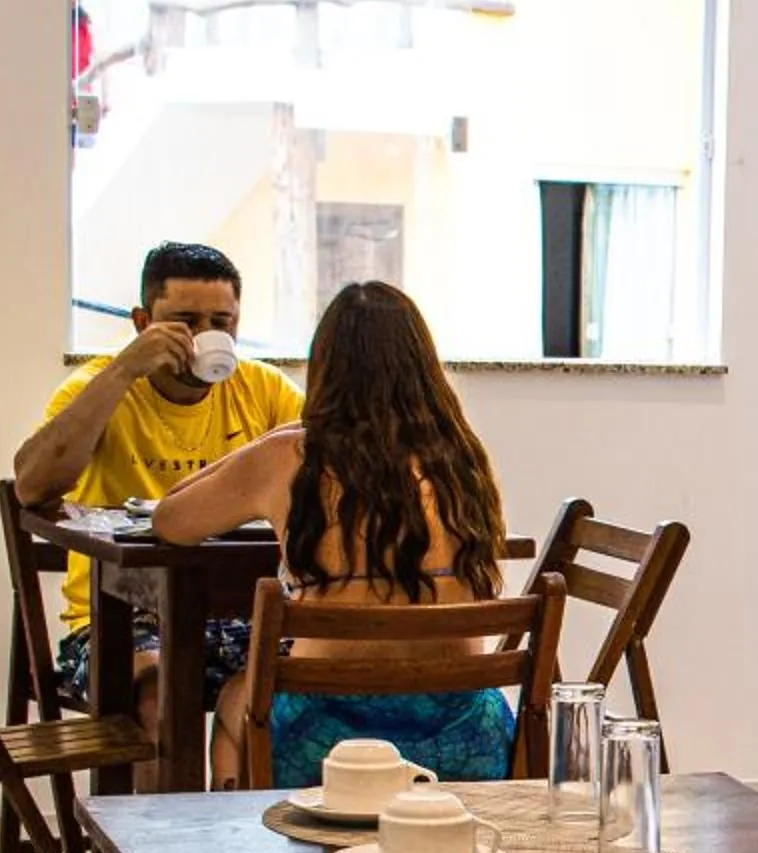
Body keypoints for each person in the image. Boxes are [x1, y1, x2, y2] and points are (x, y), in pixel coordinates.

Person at [154, 282, 513, 794]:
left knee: (237, 695)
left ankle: (240, 839)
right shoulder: (463, 462)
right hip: (465, 736)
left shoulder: (289, 458)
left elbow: (170, 518)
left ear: (323, 369)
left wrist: (267, 441)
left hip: (326, 740)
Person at [13, 242, 304, 733]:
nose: (203, 336)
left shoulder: (265, 390)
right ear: (143, 322)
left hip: (240, 609)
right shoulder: (98, 389)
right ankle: (152, 790)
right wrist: (124, 369)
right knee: (158, 694)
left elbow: (334, 469)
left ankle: (249, 788)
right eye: (185, 322)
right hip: (117, 617)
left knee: (319, 670)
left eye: (221, 322)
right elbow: (31, 487)